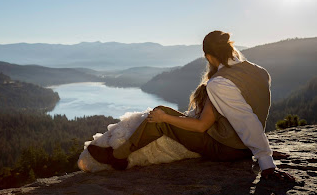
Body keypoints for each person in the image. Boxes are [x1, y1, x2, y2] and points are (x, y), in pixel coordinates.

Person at [87, 30, 294, 181]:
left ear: (208, 56)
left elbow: (236, 121)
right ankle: (121, 154)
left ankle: (117, 158)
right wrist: (259, 149)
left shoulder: (220, 82)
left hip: (227, 149)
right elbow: (255, 110)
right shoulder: (260, 72)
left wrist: (266, 161)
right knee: (166, 114)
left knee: (159, 116)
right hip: (243, 148)